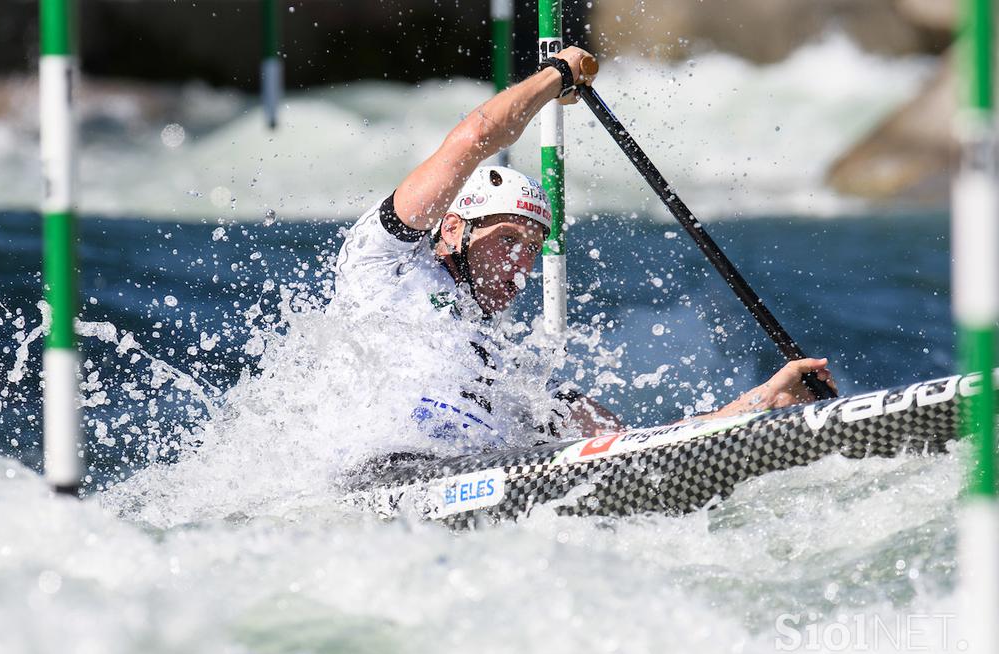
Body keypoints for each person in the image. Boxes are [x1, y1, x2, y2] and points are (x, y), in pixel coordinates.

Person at [330, 45, 836, 447]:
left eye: (532, 249)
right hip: (377, 475)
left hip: (466, 486)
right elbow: (472, 140)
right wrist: (555, 75)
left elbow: (637, 451)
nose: (521, 264)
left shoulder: (508, 376)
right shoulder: (383, 264)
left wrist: (763, 402)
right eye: (507, 238)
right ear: (452, 228)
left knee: (563, 405)